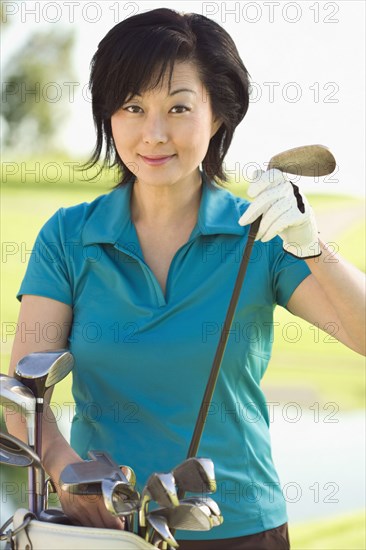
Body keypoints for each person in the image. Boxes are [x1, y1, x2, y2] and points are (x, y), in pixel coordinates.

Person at [6, 8, 365, 550]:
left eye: (179, 108)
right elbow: (22, 399)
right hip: (103, 530)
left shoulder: (261, 235)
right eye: (132, 107)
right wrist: (68, 475)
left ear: (218, 115)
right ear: (109, 115)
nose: (154, 133)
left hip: (240, 527)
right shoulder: (67, 237)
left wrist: (311, 247)